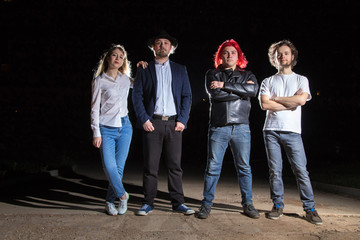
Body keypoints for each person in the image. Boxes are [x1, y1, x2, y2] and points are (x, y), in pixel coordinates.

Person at [258, 40, 322, 225]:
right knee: (275, 171)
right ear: (274, 58)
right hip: (271, 130)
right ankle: (277, 205)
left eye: (286, 53)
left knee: (301, 170)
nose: (282, 56)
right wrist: (290, 102)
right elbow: (265, 104)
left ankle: (310, 208)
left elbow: (301, 101)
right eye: (278, 54)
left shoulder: (302, 80)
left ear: (292, 56)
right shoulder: (268, 81)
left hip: (293, 131)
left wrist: (277, 99)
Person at [132, 30, 194, 216]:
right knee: (150, 167)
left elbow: (187, 96)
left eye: (165, 43)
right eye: (158, 43)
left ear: (171, 48)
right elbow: (137, 96)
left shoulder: (180, 69)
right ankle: (147, 203)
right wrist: (144, 119)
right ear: (153, 47)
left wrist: (182, 120)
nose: (162, 46)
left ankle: (178, 203)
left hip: (174, 124)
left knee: (175, 166)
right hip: (153, 123)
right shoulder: (145, 68)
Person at [197, 39, 260, 219]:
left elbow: (253, 91)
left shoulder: (248, 74)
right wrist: (241, 90)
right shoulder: (212, 74)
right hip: (219, 127)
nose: (229, 55)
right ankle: (206, 204)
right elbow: (216, 95)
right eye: (226, 53)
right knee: (213, 167)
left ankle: (248, 204)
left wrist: (225, 85)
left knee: (244, 167)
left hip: (242, 127)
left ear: (238, 56)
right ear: (220, 56)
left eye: (233, 52)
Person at [90, 44, 133, 216]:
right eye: (114, 55)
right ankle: (123, 196)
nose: (117, 58)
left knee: (119, 169)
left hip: (125, 127)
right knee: (109, 166)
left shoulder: (126, 79)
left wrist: (144, 67)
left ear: (124, 61)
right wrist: (96, 132)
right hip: (106, 128)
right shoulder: (99, 81)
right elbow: (94, 108)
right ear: (108, 58)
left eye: (121, 57)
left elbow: (143, 87)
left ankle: (109, 202)